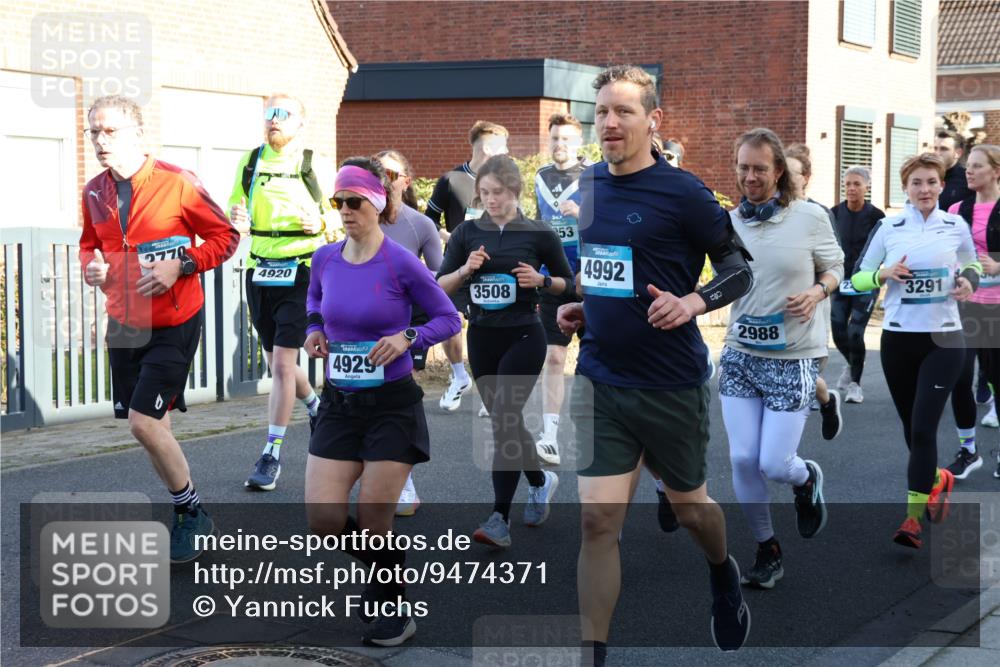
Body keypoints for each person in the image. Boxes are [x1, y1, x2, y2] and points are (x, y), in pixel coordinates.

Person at [557, 66, 754, 664]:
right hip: (600, 378)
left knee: (693, 509)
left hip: (670, 384)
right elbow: (606, 272)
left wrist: (692, 301)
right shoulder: (588, 186)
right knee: (597, 526)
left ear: (653, 120)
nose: (610, 123)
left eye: (623, 112)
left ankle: (723, 572)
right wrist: (584, 307)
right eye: (602, 113)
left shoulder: (684, 193)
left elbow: (740, 269)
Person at [303, 158, 460, 646]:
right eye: (338, 202)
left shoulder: (400, 261)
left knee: (375, 519)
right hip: (339, 403)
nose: (346, 211)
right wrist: (312, 332)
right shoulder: (324, 259)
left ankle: (393, 602)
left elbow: (448, 318)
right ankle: (386, 567)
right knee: (324, 520)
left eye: (355, 202)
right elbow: (313, 304)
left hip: (392, 404)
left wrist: (408, 336)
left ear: (377, 203)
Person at [78, 95, 240, 563]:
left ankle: (193, 513)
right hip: (124, 323)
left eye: (110, 131)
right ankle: (185, 511)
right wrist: (92, 266)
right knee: (154, 427)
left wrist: (182, 264)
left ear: (137, 134)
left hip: (173, 320)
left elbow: (225, 238)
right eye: (94, 132)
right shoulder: (94, 190)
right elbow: (90, 245)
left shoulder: (177, 181)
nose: (101, 141)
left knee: (142, 422)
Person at [721, 129, 842, 590]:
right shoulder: (729, 222)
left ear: (778, 172)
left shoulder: (810, 217)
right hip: (739, 354)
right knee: (742, 457)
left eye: (759, 169)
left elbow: (835, 268)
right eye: (743, 168)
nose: (750, 177)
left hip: (792, 357)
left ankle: (805, 476)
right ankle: (767, 547)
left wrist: (816, 291)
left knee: (774, 463)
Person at [437, 154, 574, 546]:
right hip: (482, 335)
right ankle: (539, 479)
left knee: (504, 415)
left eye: (497, 192)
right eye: (483, 193)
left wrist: (542, 281)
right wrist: (466, 271)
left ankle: (499, 517)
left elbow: (569, 283)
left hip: (525, 335)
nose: (490, 200)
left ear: (514, 191)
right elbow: (440, 284)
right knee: (506, 422)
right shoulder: (466, 233)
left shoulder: (539, 233)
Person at [851, 152, 980, 548]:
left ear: (941, 185)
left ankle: (912, 520)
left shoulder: (955, 225)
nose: (925, 190)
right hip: (897, 340)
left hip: (944, 339)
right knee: (912, 430)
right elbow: (856, 279)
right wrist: (882, 274)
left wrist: (969, 284)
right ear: (905, 189)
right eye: (916, 183)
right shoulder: (890, 227)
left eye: (931, 182)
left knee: (924, 427)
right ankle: (937, 479)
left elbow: (971, 265)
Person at [228, 93, 335, 491]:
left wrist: (320, 220)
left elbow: (343, 213)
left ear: (300, 123)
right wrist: (235, 216)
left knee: (283, 367)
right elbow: (234, 207)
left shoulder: (313, 163)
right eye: (269, 114)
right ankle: (315, 406)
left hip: (301, 270)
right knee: (279, 364)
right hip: (259, 269)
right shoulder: (251, 161)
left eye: (283, 114)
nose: (274, 120)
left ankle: (271, 454)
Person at [373, 149, 445, 515]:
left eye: (391, 171)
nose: (384, 177)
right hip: (367, 321)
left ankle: (405, 483)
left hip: (408, 320)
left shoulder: (421, 225)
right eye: (377, 170)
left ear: (405, 181)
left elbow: (441, 278)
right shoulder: (360, 217)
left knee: (400, 395)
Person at [426, 121, 509, 413]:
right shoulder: (451, 180)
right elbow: (429, 220)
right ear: (487, 147)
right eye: (503, 145)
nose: (507, 152)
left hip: (493, 264)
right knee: (447, 316)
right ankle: (460, 376)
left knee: (487, 325)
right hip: (457, 263)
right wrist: (450, 237)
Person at [944, 144, 1000, 480]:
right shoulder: (955, 208)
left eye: (977, 166)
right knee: (959, 379)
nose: (969, 171)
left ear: (996, 171)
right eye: (968, 166)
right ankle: (969, 451)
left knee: (997, 382)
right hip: (963, 309)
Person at [534, 113, 587, 465]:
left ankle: (598, 428)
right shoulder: (540, 177)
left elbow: (611, 225)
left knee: (595, 358)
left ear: (580, 143)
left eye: (566, 139)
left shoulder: (596, 176)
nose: (559, 145)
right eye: (554, 138)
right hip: (551, 278)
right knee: (553, 355)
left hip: (589, 278)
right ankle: (549, 434)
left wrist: (581, 213)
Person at [784, 143, 844, 439]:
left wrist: (817, 291)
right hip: (780, 306)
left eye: (792, 173)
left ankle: (824, 401)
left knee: (806, 370)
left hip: (814, 301)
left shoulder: (820, 213)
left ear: (805, 177)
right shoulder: (773, 210)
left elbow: (833, 261)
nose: (784, 178)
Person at [830, 167, 886, 404]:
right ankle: (853, 365)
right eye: (848, 184)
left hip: (865, 281)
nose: (851, 188)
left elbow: (884, 246)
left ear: (866, 187)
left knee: (855, 332)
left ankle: (855, 384)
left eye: (856, 184)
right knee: (838, 330)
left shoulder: (876, 216)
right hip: (840, 280)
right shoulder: (833, 213)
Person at [936, 130, 973, 210]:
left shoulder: (969, 179)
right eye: (935, 148)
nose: (937, 153)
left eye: (943, 149)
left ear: (958, 153)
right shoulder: (927, 177)